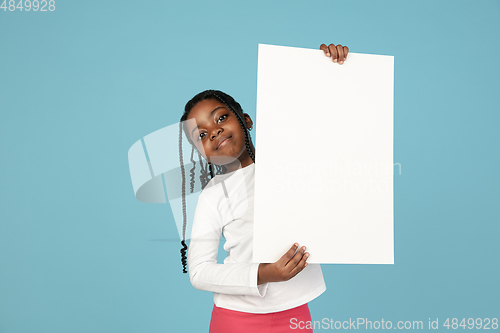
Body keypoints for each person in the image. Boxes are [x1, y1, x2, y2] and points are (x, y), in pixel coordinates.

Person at [177, 43, 349, 333]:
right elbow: (199, 272)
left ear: (246, 121)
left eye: (221, 118)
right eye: (202, 134)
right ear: (202, 151)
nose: (215, 131)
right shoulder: (214, 195)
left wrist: (332, 69)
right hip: (236, 318)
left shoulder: (294, 164)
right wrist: (266, 273)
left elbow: (328, 125)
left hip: (295, 312)